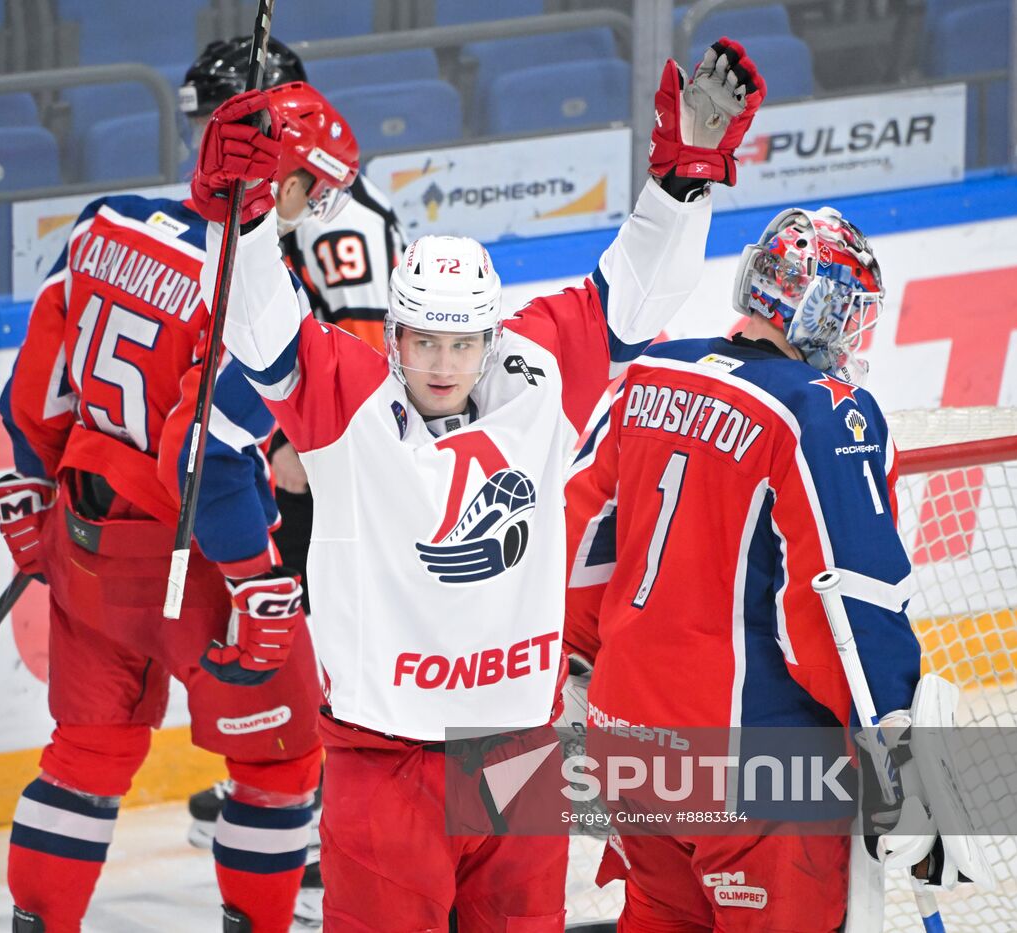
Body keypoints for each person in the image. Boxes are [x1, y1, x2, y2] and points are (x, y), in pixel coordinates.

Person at [187, 38, 765, 930]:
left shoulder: (538, 371)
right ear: (396, 338)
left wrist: (684, 181)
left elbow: (637, 297)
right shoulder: (344, 396)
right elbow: (258, 327)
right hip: (386, 762)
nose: (443, 363)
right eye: (423, 341)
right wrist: (245, 218)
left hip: (516, 754)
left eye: (462, 343)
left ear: (491, 336)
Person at [0, 80, 358, 933]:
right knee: (281, 758)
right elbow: (207, 455)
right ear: (284, 183)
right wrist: (256, 577)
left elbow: (35, 392)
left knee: (86, 752)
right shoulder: (260, 297)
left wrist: (32, 482)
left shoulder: (101, 222)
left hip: (84, 537)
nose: (318, 207)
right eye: (315, 187)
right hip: (195, 567)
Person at [563, 205, 932, 930]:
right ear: (820, 307)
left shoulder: (646, 375)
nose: (856, 330)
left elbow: (577, 545)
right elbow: (848, 601)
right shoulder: (822, 411)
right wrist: (896, 754)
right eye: (851, 309)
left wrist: (580, 670)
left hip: (626, 749)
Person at [178, 32, 407, 857]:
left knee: (326, 629)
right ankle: (294, 790)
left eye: (222, 118)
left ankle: (316, 822)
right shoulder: (268, 197)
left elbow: (364, 338)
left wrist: (307, 446)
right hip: (288, 435)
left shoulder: (335, 214)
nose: (208, 137)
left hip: (332, 454)